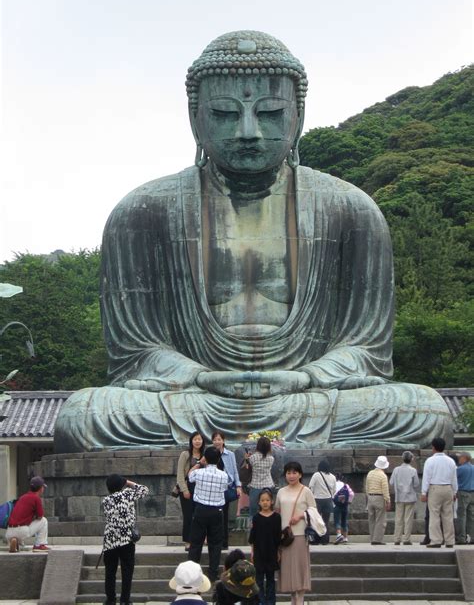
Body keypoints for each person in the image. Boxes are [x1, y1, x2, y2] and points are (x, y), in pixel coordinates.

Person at [55, 30, 453, 455]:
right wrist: (200, 376)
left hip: (307, 394)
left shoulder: (351, 209)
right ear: (195, 118)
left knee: (424, 410)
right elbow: (137, 352)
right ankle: (262, 439)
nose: (248, 131)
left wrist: (306, 376)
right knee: (85, 414)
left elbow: (364, 349)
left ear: (298, 116)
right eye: (225, 114)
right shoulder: (142, 211)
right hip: (196, 398)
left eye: (270, 113)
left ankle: (246, 439)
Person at [102, 474, 149, 605]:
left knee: (110, 572)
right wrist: (128, 482)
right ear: (121, 485)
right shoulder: (128, 494)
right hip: (127, 540)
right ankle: (125, 600)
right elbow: (144, 490)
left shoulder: (105, 501)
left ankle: (110, 600)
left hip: (110, 540)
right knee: (127, 571)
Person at [275, 461, 316, 605]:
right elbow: (277, 512)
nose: (291, 476)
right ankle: (293, 599)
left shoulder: (306, 491)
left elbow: (314, 511)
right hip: (285, 537)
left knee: (300, 569)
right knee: (288, 569)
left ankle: (300, 599)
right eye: (288, 473)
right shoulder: (281, 492)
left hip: (299, 535)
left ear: (300, 474)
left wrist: (300, 516)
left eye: (294, 473)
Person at [188, 446, 229, 582]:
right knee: (215, 544)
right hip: (217, 511)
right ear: (218, 459)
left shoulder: (199, 473)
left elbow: (190, 476)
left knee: (196, 543)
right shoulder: (223, 475)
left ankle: (192, 572)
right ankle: (213, 573)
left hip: (200, 510)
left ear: (205, 458)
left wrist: (200, 463)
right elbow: (224, 488)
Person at [421, 437, 457, 548]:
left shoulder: (430, 461)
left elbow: (426, 477)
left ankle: (436, 540)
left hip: (435, 489)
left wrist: (423, 492)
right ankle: (450, 540)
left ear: (433, 447)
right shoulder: (450, 461)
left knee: (434, 515)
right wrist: (455, 491)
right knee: (448, 515)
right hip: (448, 488)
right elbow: (454, 478)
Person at [248, 488, 281, 605]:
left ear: (272, 501)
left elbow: (278, 537)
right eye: (263, 500)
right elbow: (253, 536)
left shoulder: (277, 518)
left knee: (271, 579)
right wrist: (252, 551)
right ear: (259, 502)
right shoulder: (256, 518)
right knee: (259, 580)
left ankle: (271, 602)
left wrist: (278, 552)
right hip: (259, 552)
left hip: (272, 552)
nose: (265, 502)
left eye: (267, 500)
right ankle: (260, 601)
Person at [212, 431, 242, 550]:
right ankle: (215, 541)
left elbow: (234, 470)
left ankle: (224, 542)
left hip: (226, 488)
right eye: (215, 439)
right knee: (214, 516)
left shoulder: (229, 454)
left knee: (224, 515)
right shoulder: (210, 454)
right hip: (213, 489)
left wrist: (238, 485)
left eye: (219, 439)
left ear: (223, 441)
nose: (217, 442)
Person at [177, 431, 206, 550]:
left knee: (200, 516)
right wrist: (184, 490)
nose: (198, 441)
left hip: (201, 489)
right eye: (195, 439)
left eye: (200, 439)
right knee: (188, 516)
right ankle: (188, 541)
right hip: (188, 488)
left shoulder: (205, 455)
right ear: (191, 441)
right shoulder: (185, 454)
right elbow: (179, 474)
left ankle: (199, 539)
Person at [5, 476, 49, 553]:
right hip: (21, 531)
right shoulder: (36, 498)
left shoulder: (22, 497)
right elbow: (40, 516)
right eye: (43, 487)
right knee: (44, 520)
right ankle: (39, 545)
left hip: (9, 531)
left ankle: (15, 542)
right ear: (40, 488)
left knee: (21, 526)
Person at [389, 451, 420, 545]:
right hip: (410, 497)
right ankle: (406, 539)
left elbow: (391, 482)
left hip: (399, 497)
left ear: (402, 458)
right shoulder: (413, 470)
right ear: (411, 459)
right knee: (408, 519)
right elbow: (416, 484)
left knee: (398, 518)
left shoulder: (396, 470)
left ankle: (397, 539)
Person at [245, 437, 275, 519]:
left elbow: (248, 466)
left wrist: (246, 458)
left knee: (253, 511)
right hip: (268, 485)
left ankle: (253, 529)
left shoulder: (253, 457)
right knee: (268, 509)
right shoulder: (271, 459)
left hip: (255, 486)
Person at [308, 459, 336, 544]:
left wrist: (311, 496)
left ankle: (316, 540)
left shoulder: (316, 475)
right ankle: (325, 540)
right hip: (328, 500)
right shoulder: (332, 476)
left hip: (317, 500)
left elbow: (310, 486)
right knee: (325, 521)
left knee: (316, 520)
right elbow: (334, 490)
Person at [365, 456, 391, 545]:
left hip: (370, 497)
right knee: (380, 520)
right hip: (379, 498)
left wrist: (368, 497)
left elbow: (367, 487)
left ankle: (372, 538)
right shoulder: (383, 476)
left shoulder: (370, 473)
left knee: (371, 519)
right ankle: (377, 539)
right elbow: (385, 490)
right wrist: (388, 501)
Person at [455, 452, 474, 544]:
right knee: (471, 516)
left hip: (463, 493)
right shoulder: (473, 468)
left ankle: (461, 538)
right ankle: (472, 537)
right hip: (472, 493)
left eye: (460, 458)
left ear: (464, 458)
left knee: (461, 516)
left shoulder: (460, 469)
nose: (459, 459)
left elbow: (454, 480)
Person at [333, 473, 354, 544]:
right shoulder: (345, 485)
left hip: (336, 505)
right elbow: (351, 494)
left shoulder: (333, 485)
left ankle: (339, 535)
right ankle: (345, 537)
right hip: (345, 505)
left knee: (337, 520)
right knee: (344, 521)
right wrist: (349, 502)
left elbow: (332, 495)